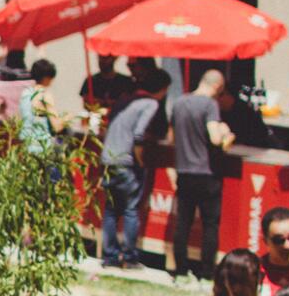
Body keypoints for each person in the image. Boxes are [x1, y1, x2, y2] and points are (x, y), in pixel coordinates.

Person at [169, 70, 235, 282]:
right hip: (206, 174)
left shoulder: (179, 103)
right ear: (217, 86)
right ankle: (206, 274)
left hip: (184, 171)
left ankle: (180, 271)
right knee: (209, 225)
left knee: (183, 223)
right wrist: (227, 134)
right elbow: (215, 139)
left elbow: (172, 137)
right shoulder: (209, 105)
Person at [100, 67, 168, 268]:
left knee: (111, 210)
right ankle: (129, 257)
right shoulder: (150, 103)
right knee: (130, 209)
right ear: (162, 88)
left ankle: (110, 256)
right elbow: (138, 134)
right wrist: (140, 160)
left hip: (108, 159)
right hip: (126, 161)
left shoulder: (124, 99)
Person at [16, 60, 66, 156]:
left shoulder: (25, 94)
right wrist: (68, 118)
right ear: (47, 78)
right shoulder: (45, 95)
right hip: (42, 147)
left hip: (25, 144)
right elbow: (57, 127)